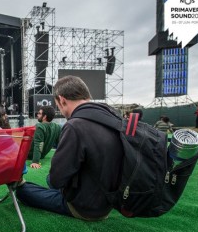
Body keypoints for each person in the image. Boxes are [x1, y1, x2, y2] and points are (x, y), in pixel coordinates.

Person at [16, 75, 123, 221]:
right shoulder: (116, 119)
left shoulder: (75, 125)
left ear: (62, 100)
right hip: (111, 202)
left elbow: (55, 180)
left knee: (24, 191)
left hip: (83, 207)